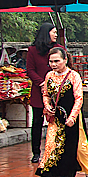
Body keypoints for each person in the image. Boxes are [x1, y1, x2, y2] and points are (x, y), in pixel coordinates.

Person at [36, 47, 88, 177]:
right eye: (51, 61)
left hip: (72, 116)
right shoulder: (49, 76)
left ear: (65, 60)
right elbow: (46, 94)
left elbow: (79, 98)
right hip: (56, 117)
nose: (53, 64)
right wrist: (47, 105)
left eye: (57, 61)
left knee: (79, 147)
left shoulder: (74, 76)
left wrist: (73, 117)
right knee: (53, 146)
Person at [26, 22, 60, 163]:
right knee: (37, 122)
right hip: (39, 91)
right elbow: (30, 70)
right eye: (53, 32)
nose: (56, 35)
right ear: (46, 33)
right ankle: (36, 152)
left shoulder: (58, 49)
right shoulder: (33, 50)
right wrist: (42, 83)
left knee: (57, 121)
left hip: (57, 91)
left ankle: (56, 149)